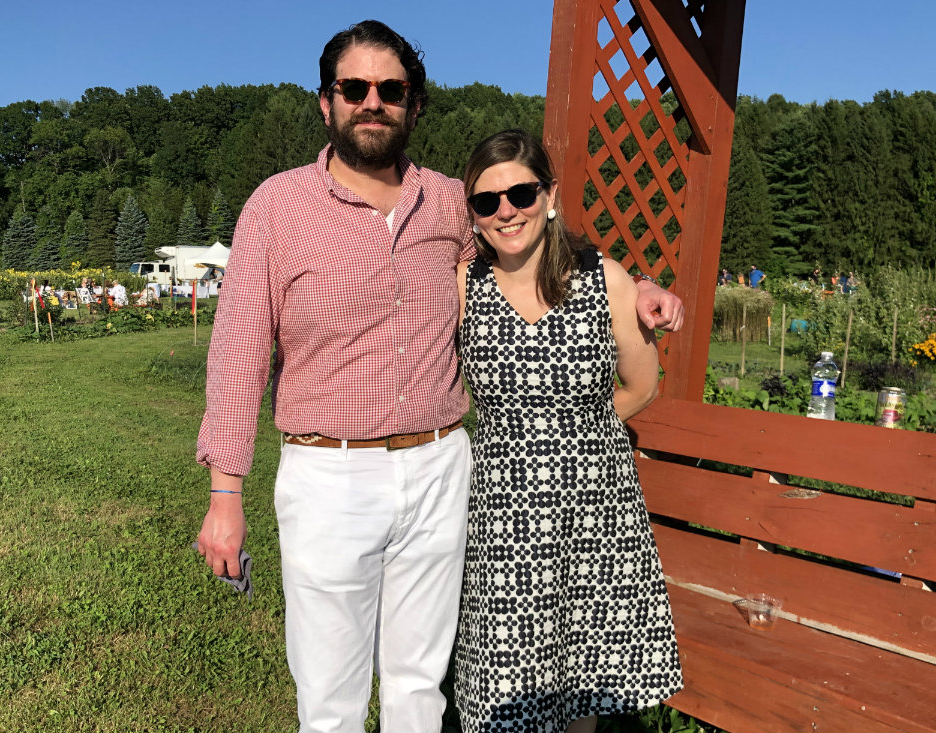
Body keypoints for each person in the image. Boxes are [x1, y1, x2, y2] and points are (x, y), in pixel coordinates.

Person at [193, 20, 684, 733]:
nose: (372, 101)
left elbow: (528, 241)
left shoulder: (453, 201)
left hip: (439, 467)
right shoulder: (277, 207)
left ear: (414, 105)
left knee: (421, 686)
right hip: (329, 474)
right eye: (353, 88)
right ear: (325, 102)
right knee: (329, 694)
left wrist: (630, 285)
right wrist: (224, 492)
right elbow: (238, 352)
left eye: (390, 89)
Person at [453, 129, 682, 733]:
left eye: (522, 194)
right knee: (505, 672)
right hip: (504, 510)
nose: (507, 211)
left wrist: (577, 437)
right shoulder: (463, 285)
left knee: (582, 678)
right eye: (487, 201)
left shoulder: (603, 280)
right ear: (474, 216)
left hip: (595, 505)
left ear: (550, 196)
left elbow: (640, 385)